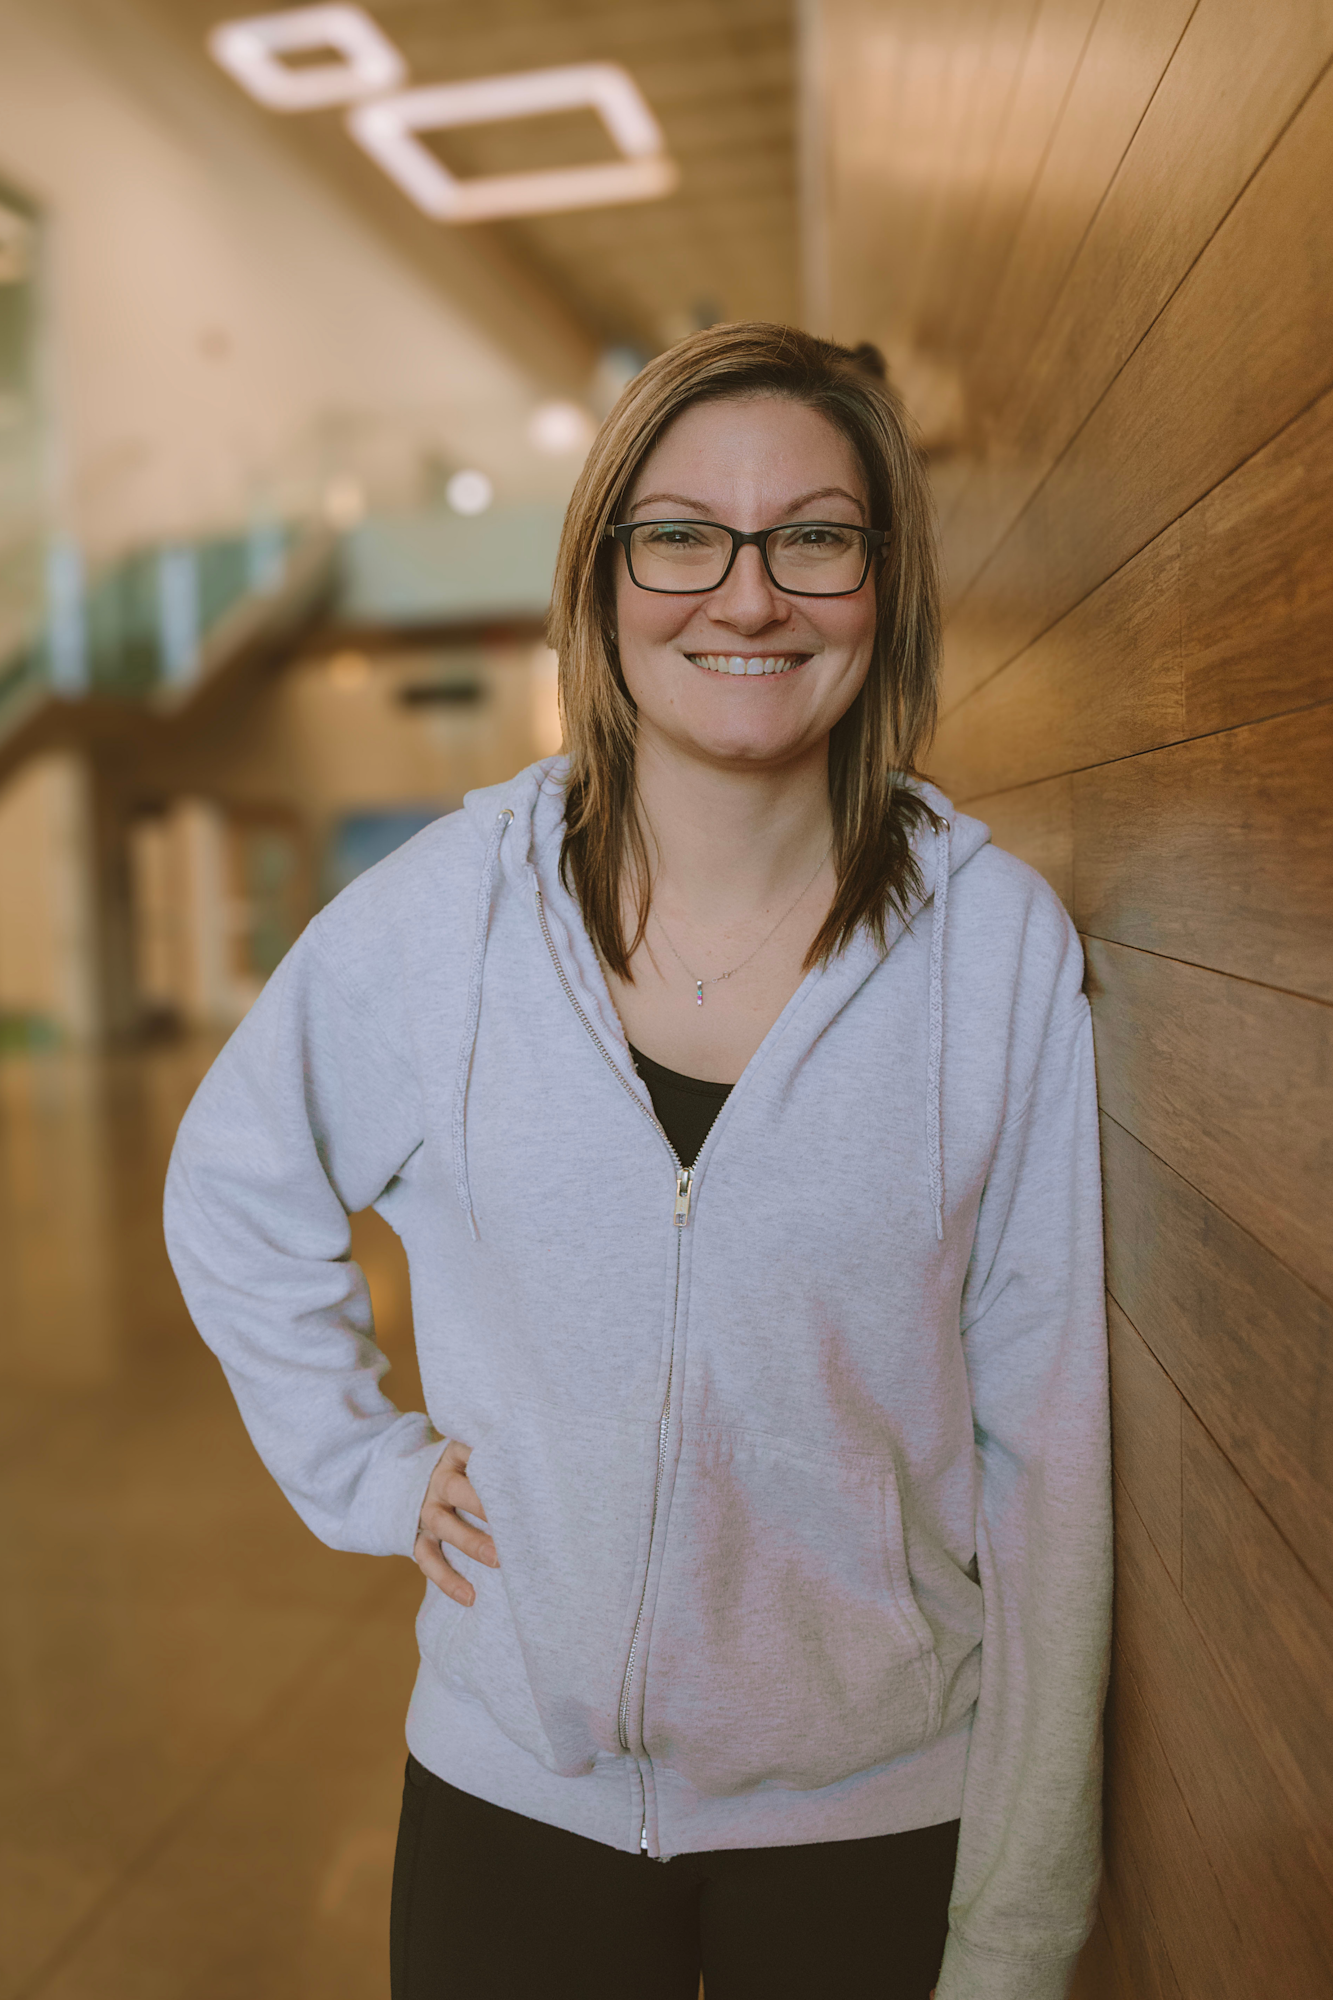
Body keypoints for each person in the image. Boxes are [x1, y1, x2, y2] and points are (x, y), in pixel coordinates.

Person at [165, 322, 1111, 2000]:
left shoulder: (996, 953)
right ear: (603, 579)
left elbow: (1045, 1451)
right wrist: (368, 1472)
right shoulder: (448, 921)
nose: (747, 598)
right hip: (510, 1795)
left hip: (873, 1816)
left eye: (813, 536)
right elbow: (234, 1185)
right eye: (681, 535)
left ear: (882, 581)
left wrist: (1025, 1916)